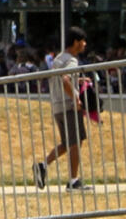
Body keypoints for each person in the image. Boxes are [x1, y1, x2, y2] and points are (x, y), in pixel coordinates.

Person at [35, 27, 92, 191]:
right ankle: (74, 181)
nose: (84, 44)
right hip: (68, 106)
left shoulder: (59, 58)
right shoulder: (72, 60)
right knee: (75, 143)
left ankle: (43, 165)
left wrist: (78, 80)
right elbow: (65, 80)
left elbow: (63, 77)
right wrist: (76, 97)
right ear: (76, 42)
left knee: (67, 143)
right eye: (82, 41)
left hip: (57, 106)